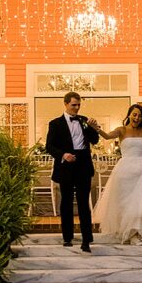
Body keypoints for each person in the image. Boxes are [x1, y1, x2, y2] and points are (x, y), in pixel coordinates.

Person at [90, 104, 142, 245]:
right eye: (134, 114)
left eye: (139, 116)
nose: (137, 118)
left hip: (141, 170)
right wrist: (96, 128)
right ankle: (126, 232)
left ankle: (137, 233)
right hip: (125, 171)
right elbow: (108, 136)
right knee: (125, 203)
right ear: (129, 115)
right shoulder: (121, 130)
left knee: (141, 203)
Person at [45, 91, 100, 252]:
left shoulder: (84, 120)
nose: (76, 108)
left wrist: (93, 128)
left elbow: (94, 140)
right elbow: (49, 146)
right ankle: (67, 237)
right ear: (66, 104)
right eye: (73, 105)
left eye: (78, 105)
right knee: (66, 203)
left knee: (84, 203)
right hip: (66, 167)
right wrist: (63, 155)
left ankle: (86, 239)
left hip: (83, 164)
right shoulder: (55, 124)